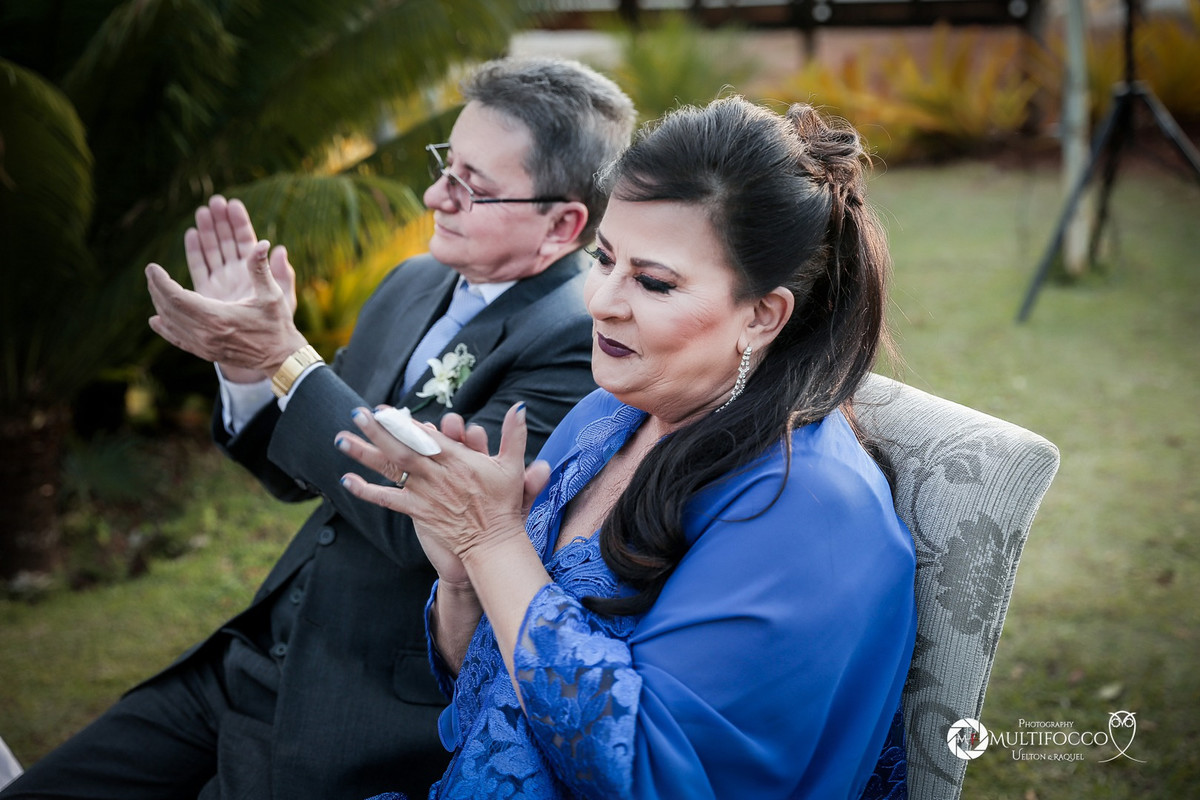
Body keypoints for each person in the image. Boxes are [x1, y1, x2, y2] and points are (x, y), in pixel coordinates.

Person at [0, 58, 634, 800]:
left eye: (472, 187)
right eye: (446, 168)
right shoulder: (414, 283)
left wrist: (285, 358)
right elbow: (302, 464)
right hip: (245, 660)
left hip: (358, 707)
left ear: (563, 223)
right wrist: (246, 365)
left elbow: (421, 526)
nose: (437, 196)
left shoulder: (575, 340)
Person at [336, 96, 918, 799]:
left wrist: (495, 544)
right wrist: (464, 578)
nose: (601, 301)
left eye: (652, 281)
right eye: (604, 259)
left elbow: (652, 775)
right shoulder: (606, 416)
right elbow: (501, 691)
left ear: (762, 316)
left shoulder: (809, 506)